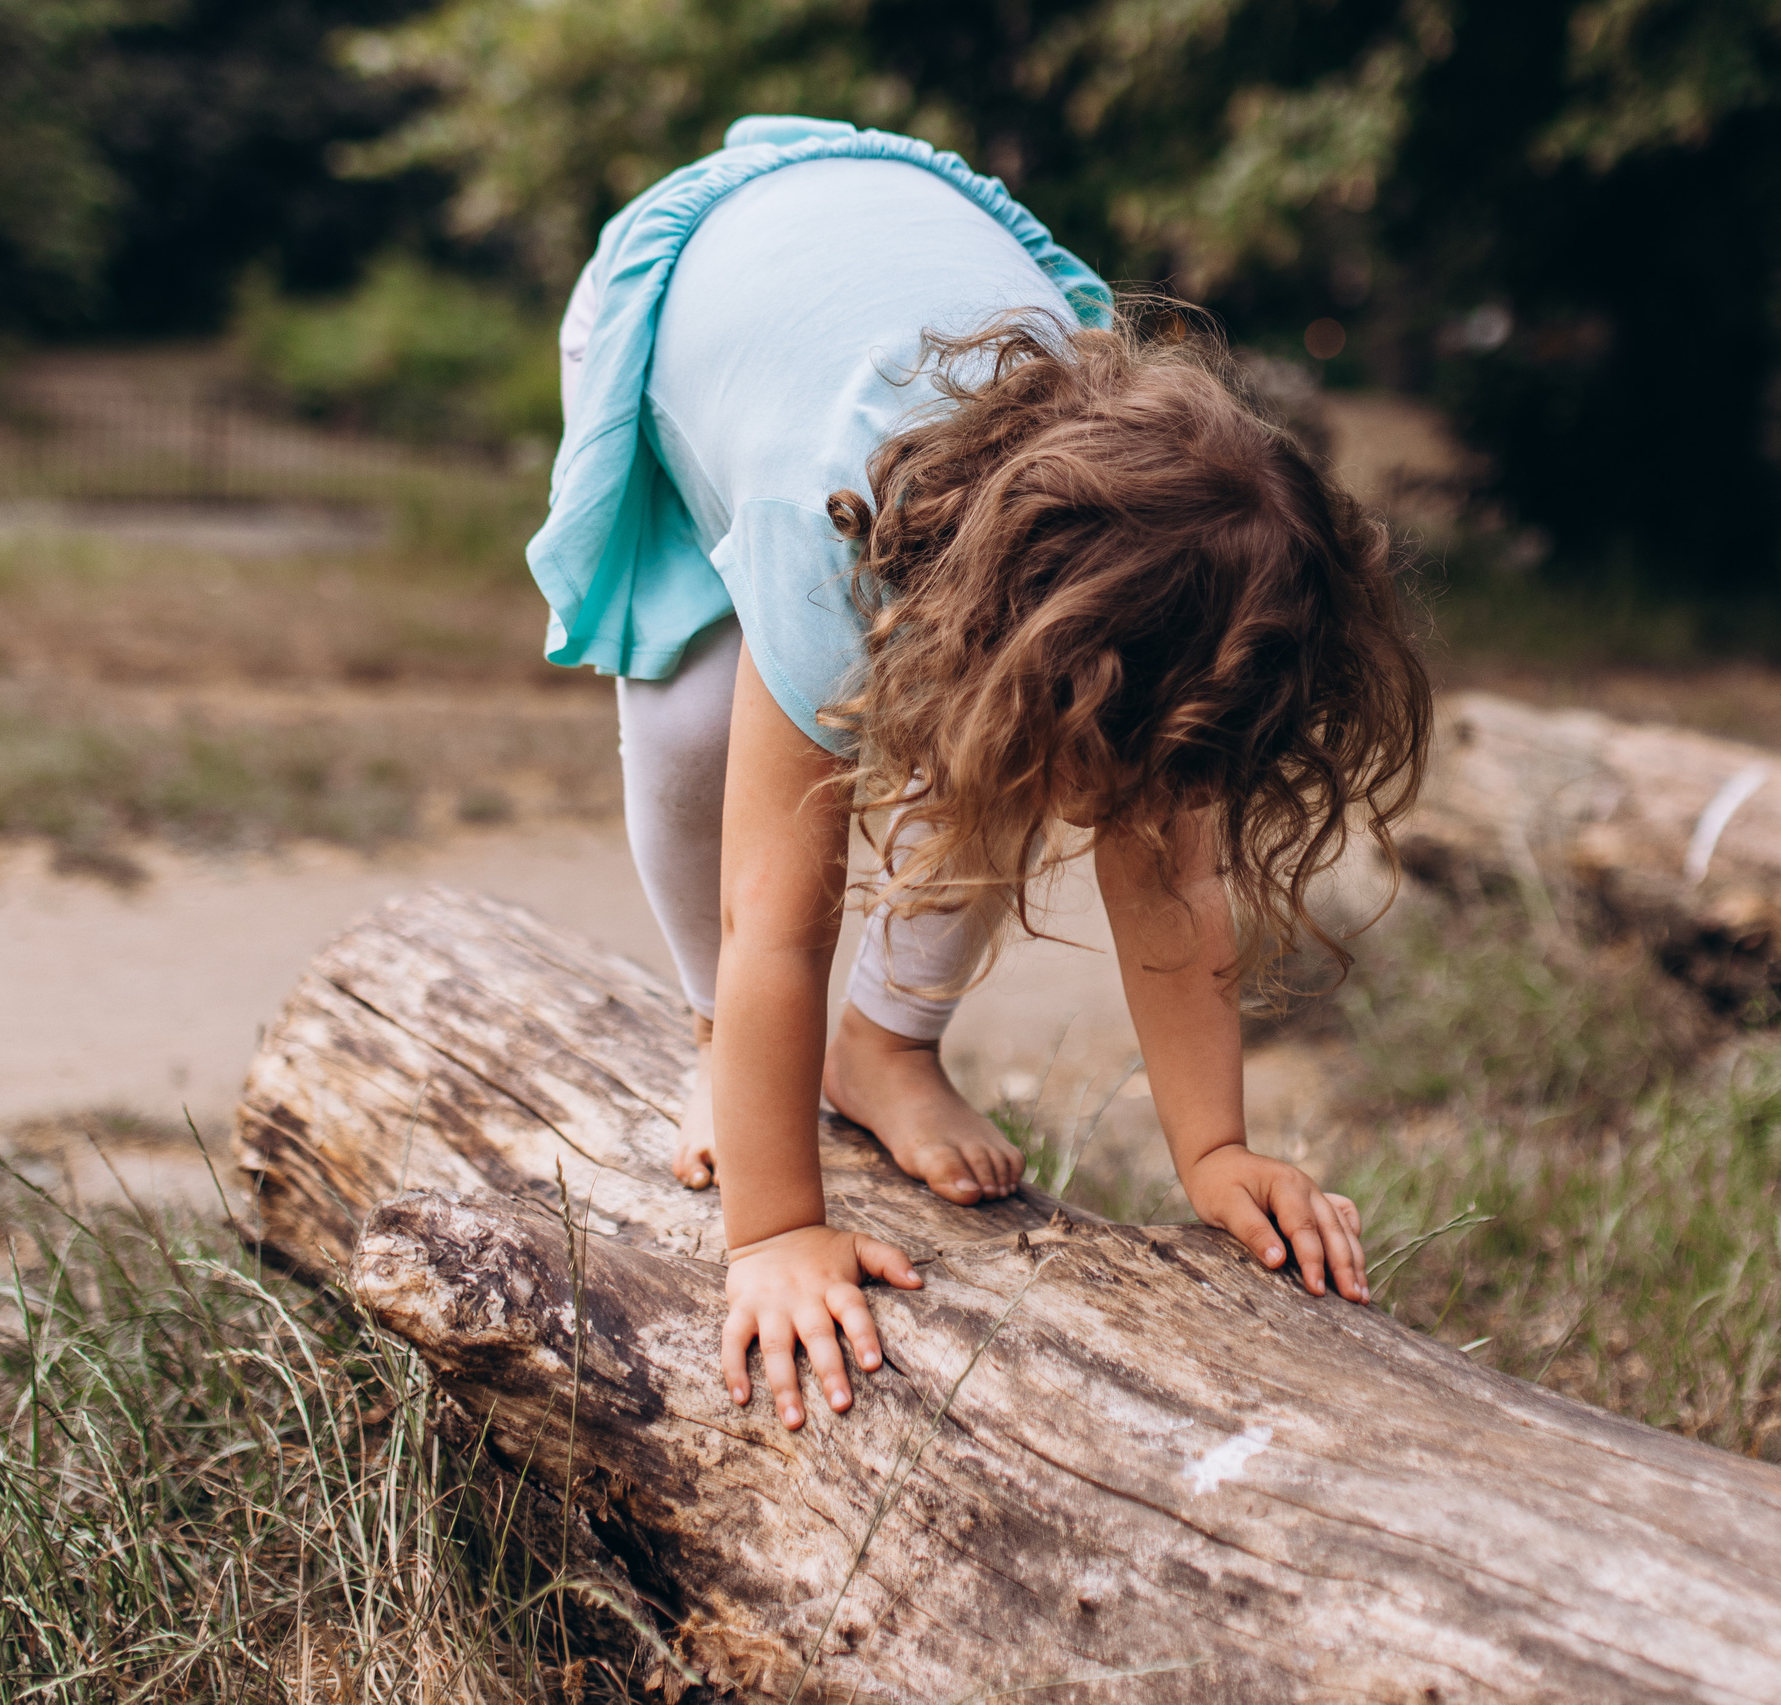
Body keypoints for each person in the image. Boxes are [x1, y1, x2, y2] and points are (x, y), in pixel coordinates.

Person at [533, 116, 1432, 1432]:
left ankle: (886, 1047)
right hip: (701, 310)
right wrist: (774, 1233)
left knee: (989, 766)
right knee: (692, 729)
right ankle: (716, 1040)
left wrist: (1216, 1150)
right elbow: (774, 920)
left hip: (911, 263)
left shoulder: (1164, 579)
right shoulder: (816, 530)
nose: (1116, 815)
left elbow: (1172, 886)